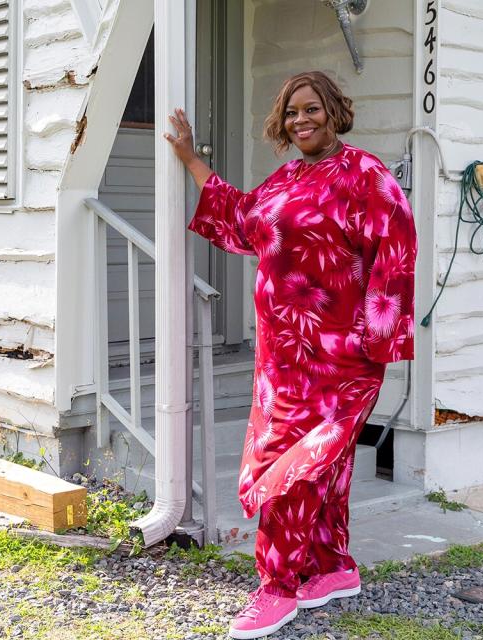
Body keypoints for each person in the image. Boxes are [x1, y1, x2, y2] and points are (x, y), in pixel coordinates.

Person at [165, 70, 417, 639]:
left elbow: (396, 253)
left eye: (311, 109)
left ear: (333, 110)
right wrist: (188, 158)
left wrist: (376, 342)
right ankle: (330, 568)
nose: (301, 120)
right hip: (282, 360)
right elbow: (240, 221)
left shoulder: (366, 176)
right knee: (323, 469)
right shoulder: (285, 181)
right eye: (291, 113)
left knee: (294, 472)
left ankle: (276, 587)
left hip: (341, 358)